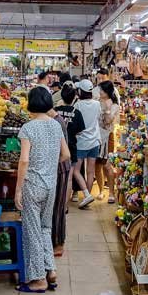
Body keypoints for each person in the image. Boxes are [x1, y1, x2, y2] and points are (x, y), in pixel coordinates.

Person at [15, 87, 71, 293]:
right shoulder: (56, 126)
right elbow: (66, 155)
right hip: (51, 185)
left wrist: (18, 190)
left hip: (33, 185)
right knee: (46, 228)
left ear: (30, 104)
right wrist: (49, 164)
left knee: (32, 231)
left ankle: (38, 279)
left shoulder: (28, 128)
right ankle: (51, 270)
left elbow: (24, 161)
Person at [51, 83, 84, 256]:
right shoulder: (76, 113)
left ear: (62, 96)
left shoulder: (56, 112)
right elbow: (80, 131)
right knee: (68, 178)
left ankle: (58, 205)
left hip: (57, 151)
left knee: (60, 179)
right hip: (71, 148)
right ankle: (65, 205)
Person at [70, 79, 101, 209]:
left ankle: (87, 195)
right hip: (95, 141)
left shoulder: (78, 105)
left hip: (81, 142)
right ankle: (87, 198)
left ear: (80, 91)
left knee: (76, 170)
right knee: (90, 171)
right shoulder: (97, 104)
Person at [96, 80, 120, 204]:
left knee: (107, 164)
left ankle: (111, 192)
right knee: (97, 164)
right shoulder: (97, 103)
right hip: (97, 137)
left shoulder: (114, 105)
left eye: (102, 90)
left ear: (108, 92)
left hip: (108, 137)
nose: (100, 92)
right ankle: (101, 190)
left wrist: (107, 108)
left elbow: (108, 122)